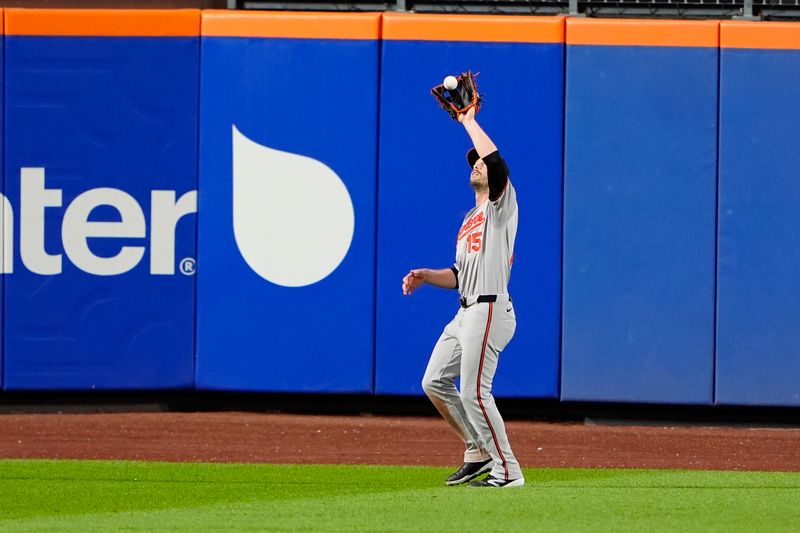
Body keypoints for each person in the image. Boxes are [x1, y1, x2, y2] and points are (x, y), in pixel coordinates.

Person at [402, 106, 523, 488]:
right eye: (473, 163)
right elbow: (457, 276)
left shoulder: (501, 207)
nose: (476, 166)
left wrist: (468, 121)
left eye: (480, 165)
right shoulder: (470, 218)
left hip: (489, 308)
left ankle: (508, 471)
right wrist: (426, 276)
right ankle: (477, 450)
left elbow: (497, 162)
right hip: (467, 310)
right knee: (434, 380)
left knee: (474, 391)